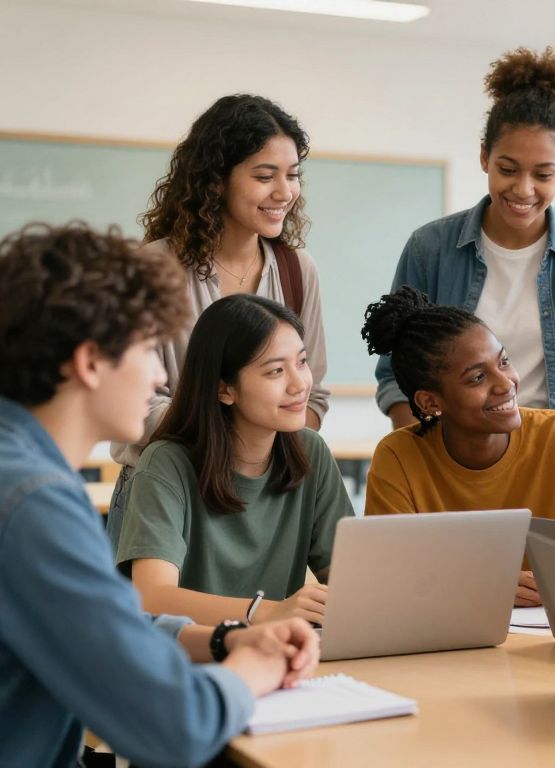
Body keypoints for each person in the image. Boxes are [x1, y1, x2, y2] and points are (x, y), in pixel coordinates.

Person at [0, 222, 319, 767]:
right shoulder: (35, 502)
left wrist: (222, 640)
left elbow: (103, 625)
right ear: (90, 362)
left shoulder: (22, 469)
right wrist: (253, 671)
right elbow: (176, 726)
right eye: (149, 349)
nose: (159, 377)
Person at [375, 46, 555, 435]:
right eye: (508, 169)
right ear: (485, 157)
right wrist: (426, 450)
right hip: (450, 445)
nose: (524, 189)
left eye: (543, 175)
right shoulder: (430, 249)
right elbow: (395, 374)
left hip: (552, 449)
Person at [106, 93, 330, 546]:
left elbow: (314, 398)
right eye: (264, 176)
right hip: (164, 496)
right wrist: (245, 436)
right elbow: (134, 407)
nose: (284, 192)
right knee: (157, 596)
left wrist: (252, 455)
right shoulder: (152, 270)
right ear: (215, 181)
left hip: (259, 500)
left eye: (292, 175)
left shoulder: (297, 270)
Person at [362, 286, 555, 606]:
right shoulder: (397, 457)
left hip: (551, 628)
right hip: (446, 630)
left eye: (503, 362)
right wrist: (487, 583)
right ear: (430, 402)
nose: (506, 383)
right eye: (477, 378)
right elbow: (390, 579)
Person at [116, 294, 353, 627]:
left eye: (301, 362)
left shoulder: (310, 451)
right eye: (275, 371)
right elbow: (152, 597)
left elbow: (350, 581)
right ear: (224, 389)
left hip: (278, 651)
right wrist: (268, 612)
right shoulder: (165, 464)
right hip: (191, 653)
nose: (300, 384)